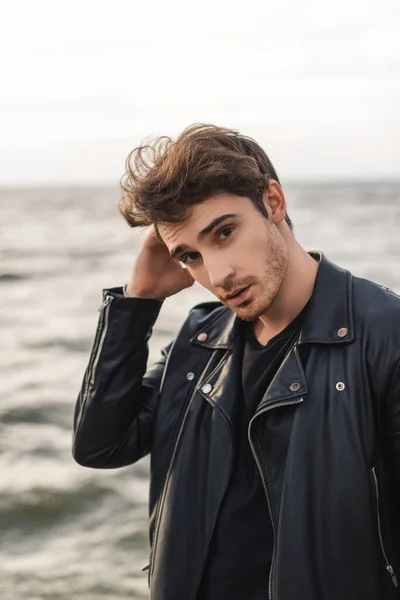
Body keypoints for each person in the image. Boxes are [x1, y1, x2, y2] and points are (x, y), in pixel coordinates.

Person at [72, 124, 400, 600]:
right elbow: (101, 445)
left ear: (273, 202)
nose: (217, 275)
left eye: (224, 233)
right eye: (190, 257)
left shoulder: (385, 335)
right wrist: (137, 302)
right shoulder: (200, 338)